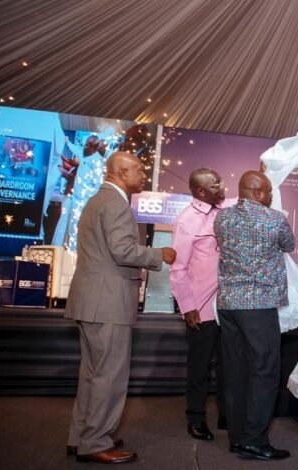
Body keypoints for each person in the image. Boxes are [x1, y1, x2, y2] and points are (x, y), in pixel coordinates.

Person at [65, 151, 176, 464]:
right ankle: (96, 442)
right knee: (108, 377)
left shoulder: (95, 200)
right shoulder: (115, 203)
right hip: (108, 302)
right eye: (138, 170)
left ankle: (82, 437)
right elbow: (122, 250)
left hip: (93, 301)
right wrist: (160, 255)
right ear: (120, 171)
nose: (143, 175)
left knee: (92, 375)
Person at [214, 170, 294, 461]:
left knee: (235, 371)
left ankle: (237, 438)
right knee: (264, 371)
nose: (271, 196)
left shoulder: (221, 218)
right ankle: (255, 440)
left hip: (228, 304)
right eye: (269, 191)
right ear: (259, 193)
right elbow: (289, 245)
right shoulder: (274, 220)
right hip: (259, 306)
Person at [170, 168, 228, 441]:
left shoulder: (225, 210)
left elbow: (247, 199)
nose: (222, 186)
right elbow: (178, 268)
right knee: (200, 367)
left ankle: (227, 414)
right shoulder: (187, 221)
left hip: (229, 306)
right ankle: (195, 418)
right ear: (201, 191)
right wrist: (187, 306)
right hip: (201, 307)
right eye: (216, 184)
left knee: (229, 364)